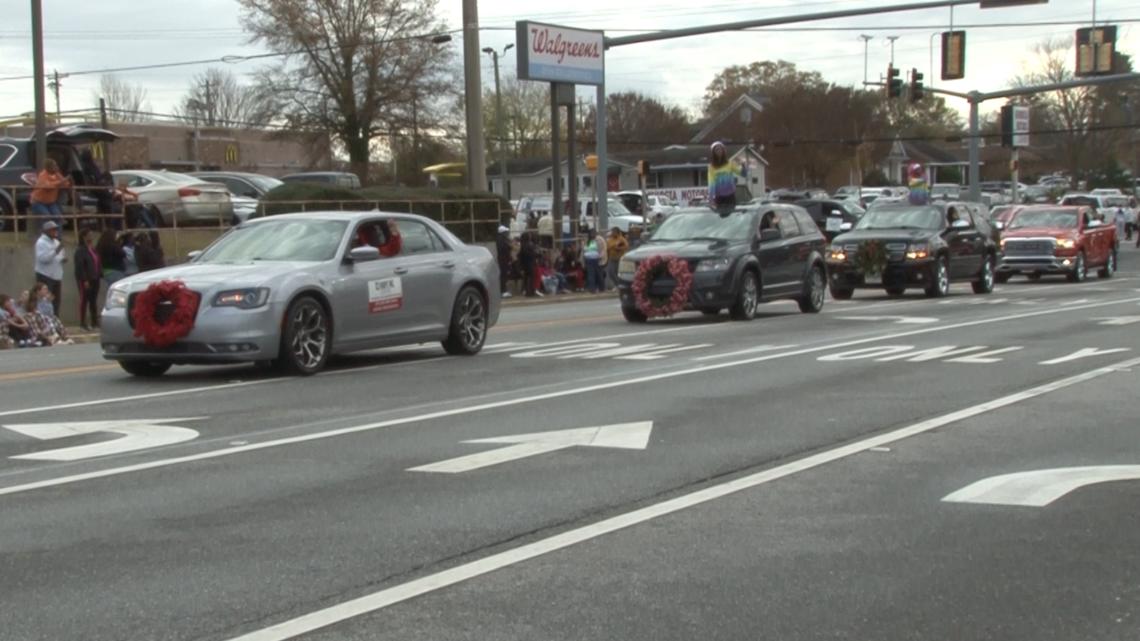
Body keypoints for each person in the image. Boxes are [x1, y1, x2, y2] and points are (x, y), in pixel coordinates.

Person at [34, 221, 67, 316]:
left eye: (56, 229)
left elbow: (59, 255)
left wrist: (62, 259)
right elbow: (43, 259)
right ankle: (46, 321)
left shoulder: (56, 242)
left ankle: (55, 321)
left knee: (56, 301)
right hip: (45, 276)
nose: (55, 231)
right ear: (46, 231)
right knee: (45, 301)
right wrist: (56, 251)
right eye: (53, 230)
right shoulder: (41, 242)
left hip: (57, 276)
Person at [29, 158, 71, 230]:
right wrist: (60, 182)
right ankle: (46, 237)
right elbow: (47, 186)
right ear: (49, 167)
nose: (57, 167)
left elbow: (66, 184)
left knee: (58, 217)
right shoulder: (43, 175)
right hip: (38, 202)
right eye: (54, 166)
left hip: (51, 202)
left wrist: (64, 180)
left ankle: (57, 239)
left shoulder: (57, 174)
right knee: (47, 217)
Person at [74, 227, 102, 331]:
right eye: (89, 235)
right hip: (85, 279)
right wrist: (84, 279)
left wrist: (99, 274)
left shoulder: (93, 249)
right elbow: (80, 266)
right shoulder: (80, 250)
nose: (91, 237)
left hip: (95, 278)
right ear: (84, 237)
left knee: (93, 301)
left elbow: (97, 262)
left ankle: (94, 322)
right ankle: (82, 323)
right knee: (84, 300)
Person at [79, 148, 115, 220]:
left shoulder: (85, 165)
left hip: (96, 188)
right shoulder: (88, 166)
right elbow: (95, 177)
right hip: (95, 189)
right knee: (106, 203)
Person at [707, 141, 741, 211]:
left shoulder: (730, 163)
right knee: (721, 216)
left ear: (723, 151)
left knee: (731, 214)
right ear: (713, 153)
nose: (719, 151)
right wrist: (710, 198)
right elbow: (711, 183)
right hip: (719, 196)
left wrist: (743, 165)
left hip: (730, 195)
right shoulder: (711, 167)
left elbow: (741, 173)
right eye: (716, 150)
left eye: (720, 149)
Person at [519, 233, 539, 297]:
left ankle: (525, 291)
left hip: (525, 264)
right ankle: (531, 292)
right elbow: (533, 254)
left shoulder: (522, 245)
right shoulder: (530, 245)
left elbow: (521, 256)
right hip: (530, 263)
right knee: (531, 278)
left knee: (526, 278)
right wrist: (537, 255)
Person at [496, 225, 513, 298]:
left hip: (502, 259)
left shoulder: (500, 239)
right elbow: (505, 249)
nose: (507, 233)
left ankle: (503, 290)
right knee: (504, 275)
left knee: (504, 275)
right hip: (503, 259)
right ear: (503, 232)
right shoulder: (502, 240)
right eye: (505, 232)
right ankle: (503, 291)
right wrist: (509, 246)